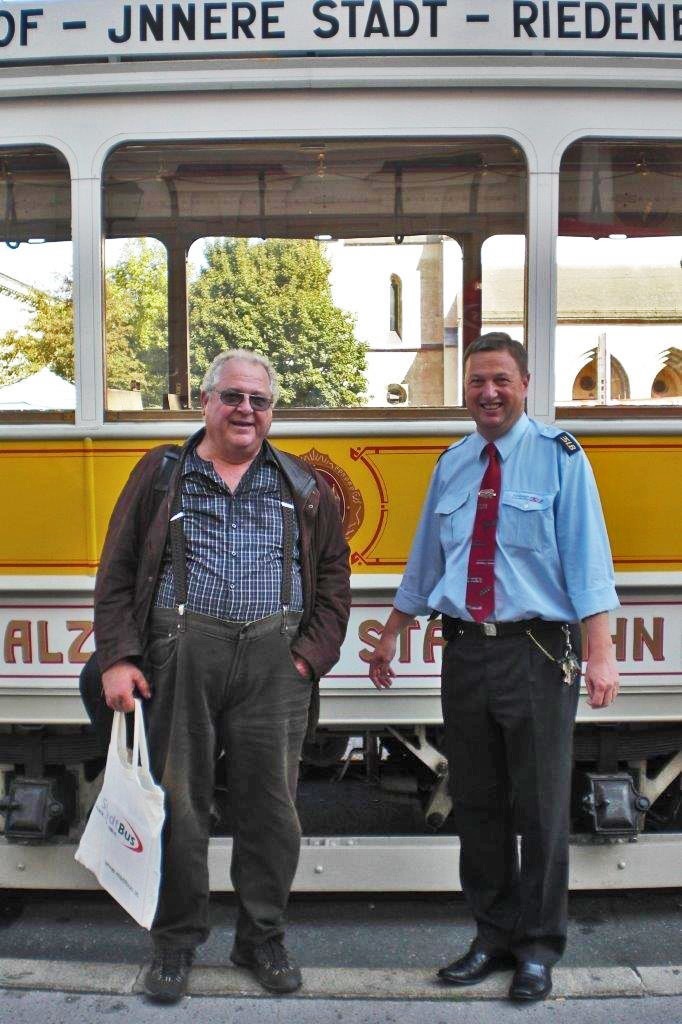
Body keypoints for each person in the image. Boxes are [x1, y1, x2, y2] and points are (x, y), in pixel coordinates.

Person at [369, 332, 619, 1003]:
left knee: (538, 807)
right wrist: (391, 632)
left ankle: (537, 947)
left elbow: (587, 558)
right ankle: (491, 934)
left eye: (501, 380)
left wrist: (601, 650)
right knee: (476, 805)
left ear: (526, 384)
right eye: (478, 381)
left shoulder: (560, 458)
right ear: (465, 389)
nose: (488, 393)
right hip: (467, 652)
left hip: (537, 652)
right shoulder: (452, 464)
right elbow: (427, 558)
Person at [94, 349, 351, 1002]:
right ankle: (175, 945)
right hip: (182, 657)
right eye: (232, 397)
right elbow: (119, 567)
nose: (245, 411)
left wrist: (308, 657)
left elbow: (334, 576)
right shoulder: (163, 475)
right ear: (205, 402)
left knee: (272, 812)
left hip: (276, 665)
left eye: (259, 402)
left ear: (271, 412)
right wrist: (120, 656)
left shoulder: (301, 484)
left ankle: (261, 939)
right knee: (180, 807)